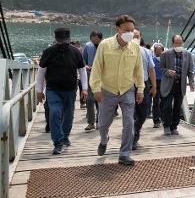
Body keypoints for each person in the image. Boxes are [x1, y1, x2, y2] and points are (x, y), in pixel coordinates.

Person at [90, 15, 144, 166]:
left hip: (127, 90)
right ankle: (103, 139)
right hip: (107, 90)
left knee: (129, 123)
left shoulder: (135, 47)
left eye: (132, 30)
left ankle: (124, 154)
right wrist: (95, 88)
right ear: (118, 29)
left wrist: (140, 89)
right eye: (127, 30)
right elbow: (96, 68)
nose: (130, 33)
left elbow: (139, 70)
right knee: (103, 124)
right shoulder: (105, 45)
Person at [36, 27, 88, 155]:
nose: (62, 43)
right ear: (55, 39)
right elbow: (41, 71)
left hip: (70, 89)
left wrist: (85, 89)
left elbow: (82, 70)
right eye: (60, 41)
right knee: (54, 112)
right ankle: (58, 142)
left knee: (68, 115)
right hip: (53, 89)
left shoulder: (76, 52)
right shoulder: (48, 52)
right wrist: (39, 90)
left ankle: (65, 137)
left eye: (65, 41)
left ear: (69, 39)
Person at [160, 35, 195, 135]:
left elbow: (190, 71)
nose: (178, 45)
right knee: (167, 106)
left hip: (180, 84)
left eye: (180, 43)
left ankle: (174, 127)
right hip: (168, 84)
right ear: (172, 44)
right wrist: (168, 72)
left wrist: (191, 83)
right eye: (176, 43)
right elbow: (161, 68)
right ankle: (166, 126)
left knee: (177, 107)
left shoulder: (188, 54)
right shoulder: (165, 54)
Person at [131, 28, 156, 149]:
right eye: (133, 36)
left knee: (144, 112)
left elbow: (151, 70)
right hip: (128, 86)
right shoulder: (122, 51)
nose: (135, 38)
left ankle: (135, 131)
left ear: (140, 38)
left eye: (137, 36)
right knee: (130, 113)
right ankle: (132, 139)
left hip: (144, 85)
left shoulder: (146, 52)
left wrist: (154, 86)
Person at [82, 31, 103, 131]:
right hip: (90, 75)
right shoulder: (87, 46)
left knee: (101, 100)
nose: (93, 40)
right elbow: (83, 60)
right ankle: (91, 122)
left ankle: (100, 122)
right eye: (92, 38)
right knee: (90, 100)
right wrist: (86, 66)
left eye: (95, 38)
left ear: (100, 39)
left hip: (102, 76)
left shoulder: (104, 46)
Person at [152, 43, 164, 128]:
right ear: (155, 51)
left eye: (160, 50)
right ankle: (156, 121)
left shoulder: (165, 60)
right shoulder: (152, 60)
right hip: (155, 82)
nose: (159, 52)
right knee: (156, 102)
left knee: (164, 102)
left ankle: (164, 119)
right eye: (157, 50)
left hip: (164, 83)